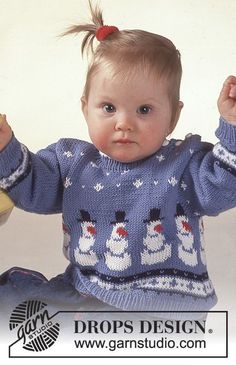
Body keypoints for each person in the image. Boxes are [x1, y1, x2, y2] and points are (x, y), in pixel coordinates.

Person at [0, 1, 236, 319]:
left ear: (173, 117)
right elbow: (32, 186)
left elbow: (223, 184)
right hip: (89, 293)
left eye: (143, 110)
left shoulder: (184, 164)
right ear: (86, 108)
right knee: (12, 304)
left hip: (168, 310)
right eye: (109, 108)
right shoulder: (72, 161)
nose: (124, 123)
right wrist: (6, 148)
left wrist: (232, 127)